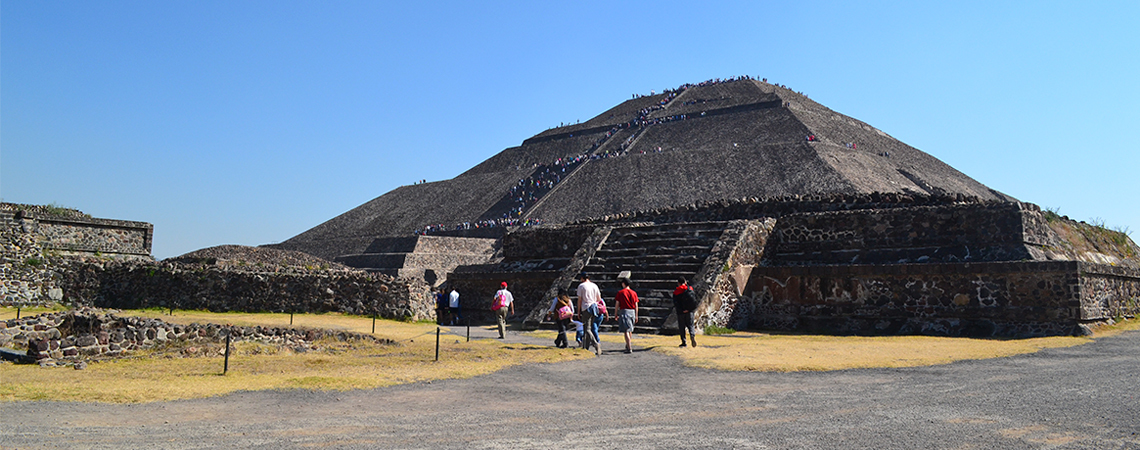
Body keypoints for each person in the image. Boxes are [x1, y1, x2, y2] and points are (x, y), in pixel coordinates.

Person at [575, 272, 602, 355]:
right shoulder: (594, 285)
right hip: (594, 307)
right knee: (588, 328)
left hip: (586, 307)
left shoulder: (581, 286)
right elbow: (599, 298)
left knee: (587, 329)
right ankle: (585, 347)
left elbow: (579, 300)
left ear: (582, 278)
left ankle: (595, 344)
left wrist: (578, 311)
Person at [614, 278, 639, 354]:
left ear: (623, 283)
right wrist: (636, 315)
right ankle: (627, 345)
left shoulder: (621, 292)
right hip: (632, 312)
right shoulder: (634, 293)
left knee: (626, 331)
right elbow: (636, 305)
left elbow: (617, 304)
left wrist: (615, 314)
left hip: (624, 311)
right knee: (630, 329)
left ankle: (629, 347)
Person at [673, 277, 698, 347]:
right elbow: (694, 300)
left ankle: (684, 342)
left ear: (678, 283)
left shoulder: (677, 291)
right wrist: (689, 309)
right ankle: (692, 336)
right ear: (685, 282)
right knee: (691, 325)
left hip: (681, 312)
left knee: (682, 327)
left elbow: (675, 303)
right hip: (689, 311)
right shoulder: (690, 289)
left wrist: (681, 310)